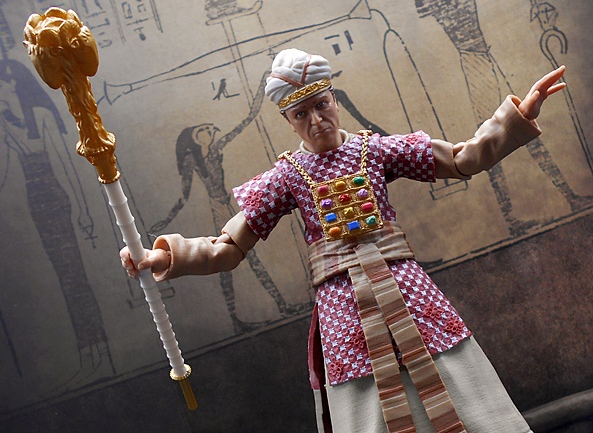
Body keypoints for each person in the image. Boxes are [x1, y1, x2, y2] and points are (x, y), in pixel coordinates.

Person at [121, 48, 566, 432]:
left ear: (334, 99)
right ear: (289, 121)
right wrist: (164, 256)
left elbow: (462, 158)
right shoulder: (286, 177)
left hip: (405, 288)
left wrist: (516, 118)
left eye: (321, 105)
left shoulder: (376, 149)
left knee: (446, 364)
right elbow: (228, 248)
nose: (317, 121)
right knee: (365, 395)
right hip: (342, 306)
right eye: (301, 113)